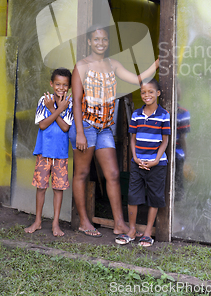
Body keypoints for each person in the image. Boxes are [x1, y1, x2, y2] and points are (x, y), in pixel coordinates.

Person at [70, 24, 159, 237]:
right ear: (90, 42)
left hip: (105, 129)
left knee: (113, 174)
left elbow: (137, 81)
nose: (100, 43)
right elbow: (76, 101)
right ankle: (83, 221)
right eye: (96, 39)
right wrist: (80, 132)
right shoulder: (81, 66)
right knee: (81, 173)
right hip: (86, 126)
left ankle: (119, 223)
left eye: (104, 40)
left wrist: (156, 64)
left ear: (108, 42)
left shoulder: (113, 64)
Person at [115, 78, 170, 247]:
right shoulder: (136, 114)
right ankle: (131, 230)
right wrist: (136, 158)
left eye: (151, 92)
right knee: (133, 196)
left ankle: (147, 233)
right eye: (143, 92)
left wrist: (154, 161)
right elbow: (132, 139)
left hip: (157, 165)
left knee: (154, 198)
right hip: (137, 163)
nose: (147, 95)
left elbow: (165, 141)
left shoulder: (164, 115)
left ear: (158, 93)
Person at [24, 68, 73, 237]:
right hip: (44, 152)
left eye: (65, 85)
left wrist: (54, 109)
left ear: (70, 86)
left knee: (58, 189)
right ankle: (37, 221)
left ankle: (55, 223)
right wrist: (57, 109)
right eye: (58, 84)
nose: (61, 87)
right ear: (51, 84)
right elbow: (43, 125)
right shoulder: (44, 100)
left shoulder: (70, 103)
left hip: (60, 154)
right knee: (41, 187)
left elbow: (66, 127)